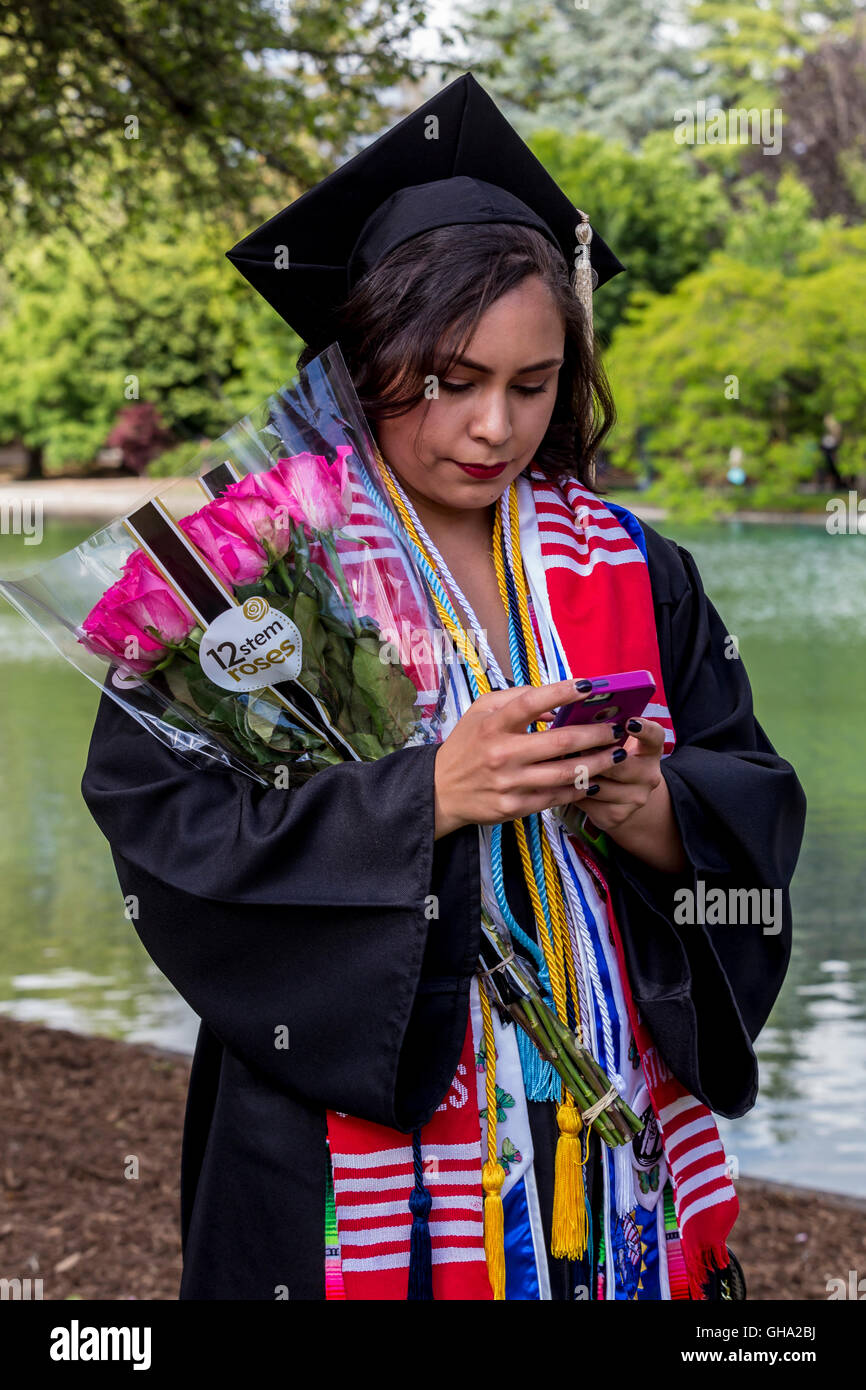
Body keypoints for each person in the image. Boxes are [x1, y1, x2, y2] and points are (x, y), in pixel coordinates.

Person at [80, 72, 807, 1301]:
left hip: (605, 1103)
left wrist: (655, 809)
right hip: (345, 1140)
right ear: (364, 361)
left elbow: (753, 795)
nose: (493, 427)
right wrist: (426, 794)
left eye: (532, 385)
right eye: (447, 380)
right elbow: (170, 835)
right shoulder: (254, 575)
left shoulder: (634, 566)